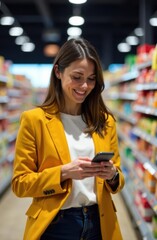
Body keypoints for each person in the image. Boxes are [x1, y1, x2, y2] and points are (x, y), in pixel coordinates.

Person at [12, 38, 125, 240]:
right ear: (58, 72)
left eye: (91, 79)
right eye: (77, 77)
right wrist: (63, 173)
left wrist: (112, 174)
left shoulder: (105, 122)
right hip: (55, 225)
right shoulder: (34, 120)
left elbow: (118, 177)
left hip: (99, 223)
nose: (85, 86)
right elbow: (20, 184)